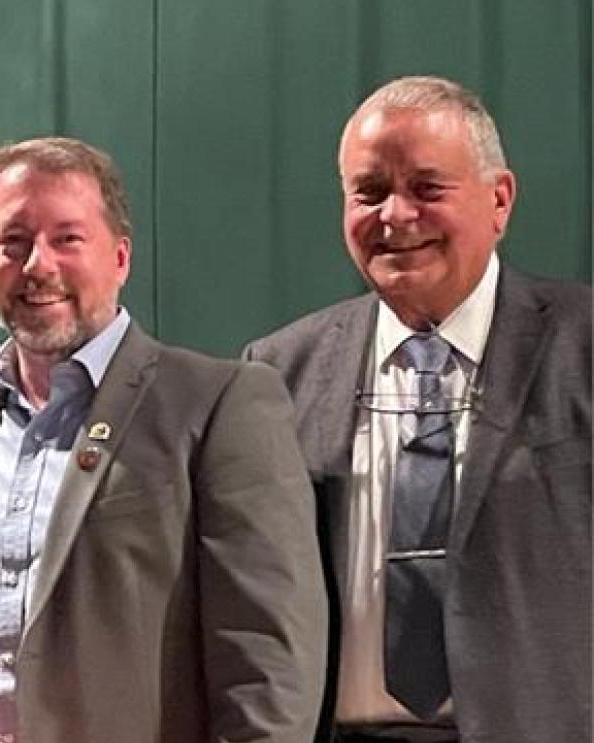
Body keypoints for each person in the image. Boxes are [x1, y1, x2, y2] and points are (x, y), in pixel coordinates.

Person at [0, 137, 327, 742]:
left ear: (121, 257)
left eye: (67, 239)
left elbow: (267, 662)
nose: (37, 266)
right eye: (14, 242)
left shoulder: (219, 405)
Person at [245, 76, 591, 743]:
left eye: (428, 189)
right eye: (368, 192)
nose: (395, 216)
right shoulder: (277, 371)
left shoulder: (584, 344)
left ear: (499, 200)